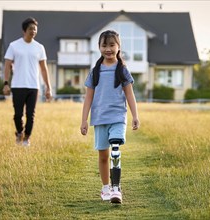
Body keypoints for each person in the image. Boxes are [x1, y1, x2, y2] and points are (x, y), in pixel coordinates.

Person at [80, 30, 140, 203]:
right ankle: (106, 187)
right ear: (99, 47)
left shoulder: (122, 70)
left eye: (112, 45)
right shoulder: (95, 72)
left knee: (115, 151)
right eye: (104, 45)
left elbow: (130, 95)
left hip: (117, 118)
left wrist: (135, 115)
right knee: (103, 156)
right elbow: (88, 98)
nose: (108, 49)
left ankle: (116, 188)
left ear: (118, 47)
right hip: (99, 119)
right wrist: (84, 120)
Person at [3, 17, 52, 147]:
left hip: (33, 86)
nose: (33, 31)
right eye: (31, 28)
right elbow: (7, 65)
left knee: (30, 115)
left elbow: (44, 68)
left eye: (35, 29)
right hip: (18, 85)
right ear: (24, 30)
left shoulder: (39, 47)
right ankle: (19, 132)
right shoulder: (14, 46)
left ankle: (26, 138)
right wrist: (6, 83)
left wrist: (48, 87)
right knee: (18, 115)